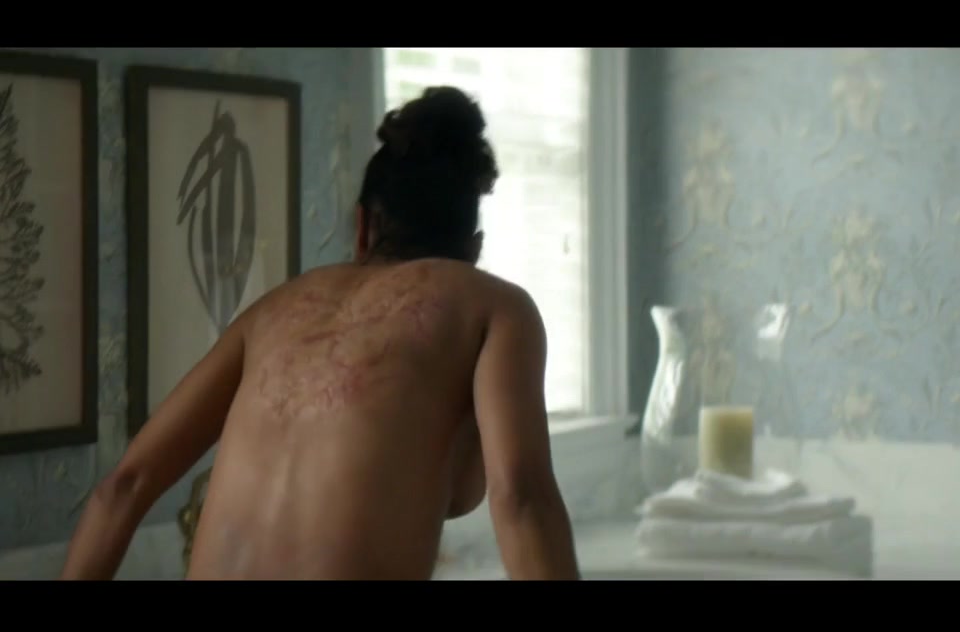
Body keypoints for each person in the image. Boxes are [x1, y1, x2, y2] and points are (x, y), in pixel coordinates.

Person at [60, 86, 581, 580]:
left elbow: (123, 487)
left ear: (362, 227)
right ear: (473, 247)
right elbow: (522, 500)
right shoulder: (493, 307)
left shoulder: (276, 309)